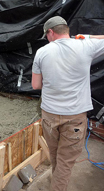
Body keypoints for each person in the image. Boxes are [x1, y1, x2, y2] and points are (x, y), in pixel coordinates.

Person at [31, 16, 104, 191]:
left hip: (49, 114)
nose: (47, 39)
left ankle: (57, 183)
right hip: (75, 117)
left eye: (46, 35)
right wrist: (87, 37)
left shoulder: (42, 52)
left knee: (57, 156)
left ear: (51, 32)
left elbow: (36, 85)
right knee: (64, 161)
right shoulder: (85, 45)